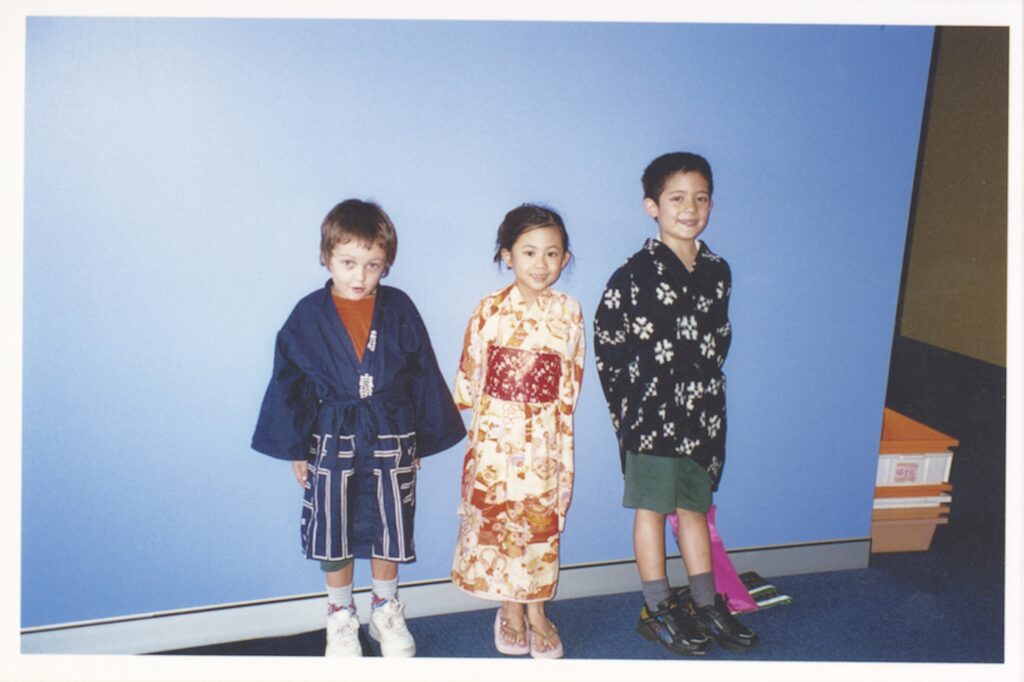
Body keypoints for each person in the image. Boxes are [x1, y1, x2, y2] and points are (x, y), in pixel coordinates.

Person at [251, 199, 465, 658]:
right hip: (330, 430)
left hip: (392, 429)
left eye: (372, 265)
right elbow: (289, 381)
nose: (359, 275)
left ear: (386, 264)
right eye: (348, 263)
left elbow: (422, 371)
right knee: (334, 524)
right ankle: (340, 616)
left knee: (391, 518)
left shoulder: (400, 308)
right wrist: (295, 446)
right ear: (326, 257)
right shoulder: (308, 315)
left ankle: (386, 610)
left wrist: (423, 438)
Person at [593, 152, 758, 656]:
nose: (690, 208)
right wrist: (630, 411)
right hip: (651, 418)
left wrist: (703, 392)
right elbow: (608, 342)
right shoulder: (634, 273)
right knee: (651, 509)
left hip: (703, 415)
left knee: (694, 508)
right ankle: (658, 605)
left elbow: (718, 340)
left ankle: (706, 602)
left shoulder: (717, 270)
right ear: (652, 206)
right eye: (677, 198)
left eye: (701, 197)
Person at [451, 204, 585, 659]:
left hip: (545, 434)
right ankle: (510, 607)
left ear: (565, 259)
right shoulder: (489, 309)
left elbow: (571, 381)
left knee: (540, 522)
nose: (541, 264)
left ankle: (538, 609)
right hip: (496, 435)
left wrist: (552, 428)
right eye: (529, 252)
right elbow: (470, 376)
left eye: (552, 253)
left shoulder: (569, 311)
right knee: (505, 519)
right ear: (507, 254)